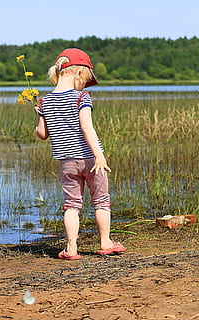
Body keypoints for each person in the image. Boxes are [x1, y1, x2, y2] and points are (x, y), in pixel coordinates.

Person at [35, 48, 125, 260]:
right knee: (101, 201)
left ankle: (71, 248)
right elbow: (87, 128)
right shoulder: (81, 97)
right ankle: (105, 242)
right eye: (86, 80)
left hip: (66, 162)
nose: (85, 85)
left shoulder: (45, 101)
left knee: (72, 205)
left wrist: (39, 114)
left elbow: (42, 134)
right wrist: (99, 156)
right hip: (90, 159)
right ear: (78, 74)